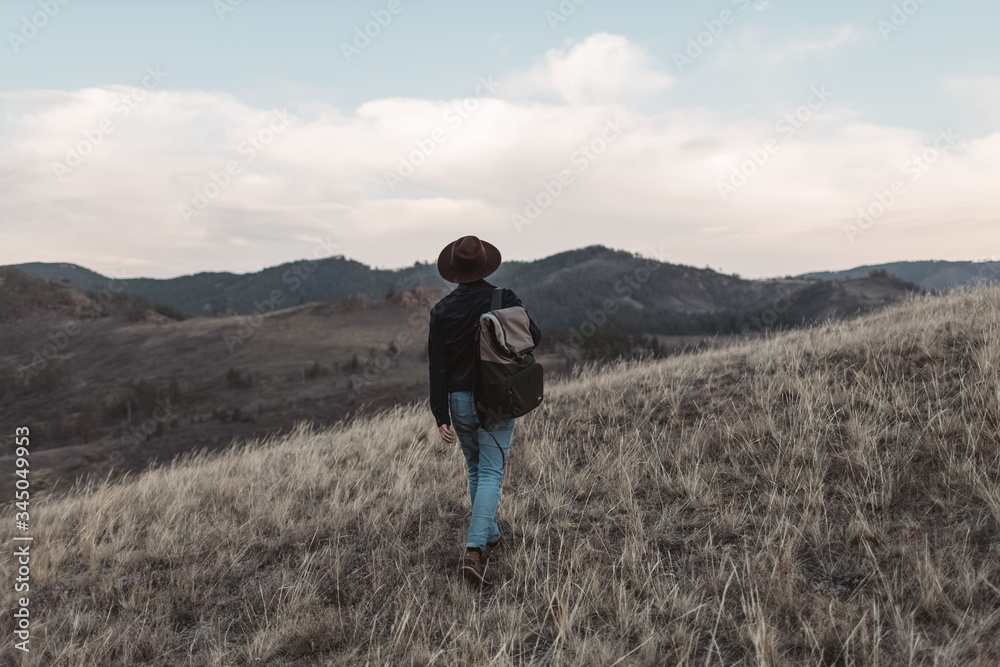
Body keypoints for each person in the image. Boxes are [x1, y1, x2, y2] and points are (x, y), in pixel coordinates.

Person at [428, 235, 542, 586]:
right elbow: (533, 336)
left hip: (459, 401)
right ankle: (474, 552)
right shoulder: (503, 298)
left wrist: (441, 415)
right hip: (497, 397)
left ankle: (492, 541)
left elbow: (438, 368)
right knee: (491, 473)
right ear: (484, 265)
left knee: (476, 471)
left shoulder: (442, 311)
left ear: (454, 271)